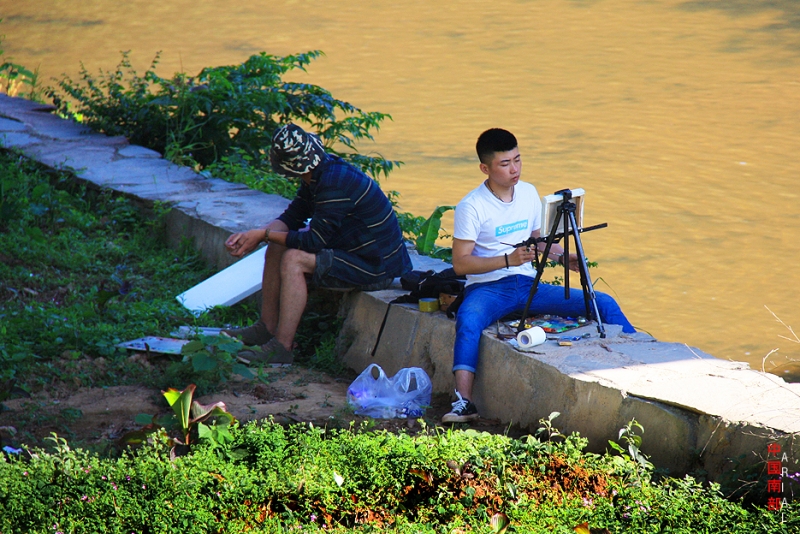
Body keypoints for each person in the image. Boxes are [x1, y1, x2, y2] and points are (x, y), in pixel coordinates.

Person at [442, 128, 636, 423]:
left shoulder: (529, 193)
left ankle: (640, 361)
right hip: (488, 289)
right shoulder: (472, 206)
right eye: (505, 164)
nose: (514, 169)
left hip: (529, 285)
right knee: (468, 321)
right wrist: (507, 259)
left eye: (518, 160)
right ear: (485, 168)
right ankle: (463, 403)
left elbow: (538, 240)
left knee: (604, 303)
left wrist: (561, 256)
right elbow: (461, 264)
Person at [223, 123, 412, 364]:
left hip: (376, 267)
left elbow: (314, 241)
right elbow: (293, 217)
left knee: (293, 259)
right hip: (353, 253)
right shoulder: (316, 174)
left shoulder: (334, 183)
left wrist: (263, 235)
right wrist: (258, 234)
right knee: (278, 245)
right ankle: (266, 327)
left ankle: (282, 347)